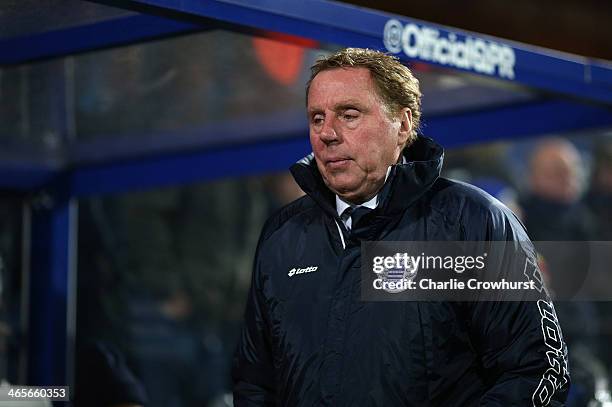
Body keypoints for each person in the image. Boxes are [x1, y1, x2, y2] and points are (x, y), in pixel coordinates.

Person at [232, 48, 569, 406]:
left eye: (348, 115)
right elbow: (254, 383)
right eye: (317, 118)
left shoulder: (472, 222)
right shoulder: (283, 234)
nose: (327, 133)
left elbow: (537, 370)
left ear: (403, 124)